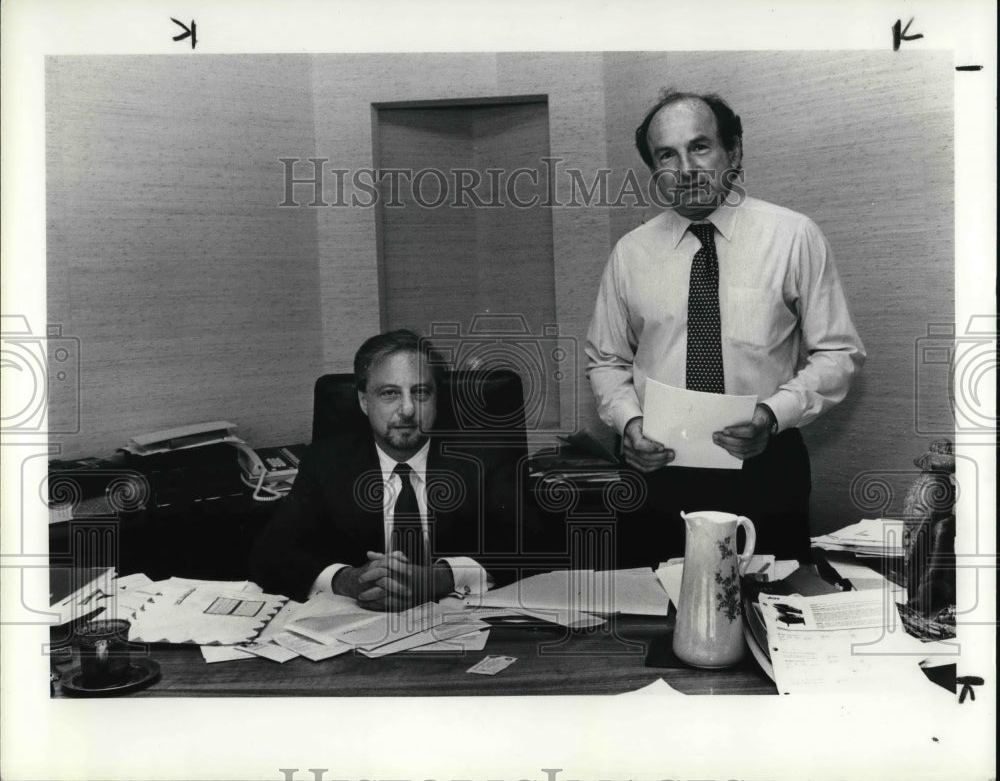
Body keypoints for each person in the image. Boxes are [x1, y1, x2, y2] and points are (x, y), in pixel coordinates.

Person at [586, 89, 866, 565]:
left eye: (700, 147)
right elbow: (607, 360)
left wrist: (772, 415)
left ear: (733, 152)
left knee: (769, 609)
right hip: (658, 474)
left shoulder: (792, 236)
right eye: (666, 155)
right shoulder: (630, 254)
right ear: (655, 170)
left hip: (764, 466)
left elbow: (838, 353)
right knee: (657, 614)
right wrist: (630, 424)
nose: (687, 168)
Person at [250, 330, 531, 607]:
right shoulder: (326, 462)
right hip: (357, 631)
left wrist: (442, 578)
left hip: (463, 628)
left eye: (421, 392)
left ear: (437, 399)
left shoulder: (484, 458)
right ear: (364, 401)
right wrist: (346, 580)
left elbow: (533, 544)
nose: (407, 409)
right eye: (390, 393)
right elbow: (272, 553)